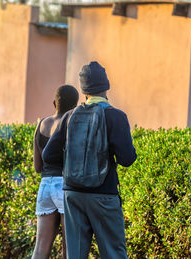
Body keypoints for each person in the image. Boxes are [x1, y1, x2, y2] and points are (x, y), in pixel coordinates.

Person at [42, 61, 137, 258]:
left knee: (75, 255)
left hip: (72, 194)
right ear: (106, 87)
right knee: (114, 253)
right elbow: (127, 159)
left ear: (84, 90)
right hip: (103, 195)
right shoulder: (115, 116)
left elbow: (48, 155)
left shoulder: (69, 117)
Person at [32, 85, 79, 259]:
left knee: (40, 248)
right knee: (69, 249)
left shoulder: (41, 124)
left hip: (45, 186)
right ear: (75, 107)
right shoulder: (72, 125)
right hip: (65, 187)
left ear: (54, 103)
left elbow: (37, 167)